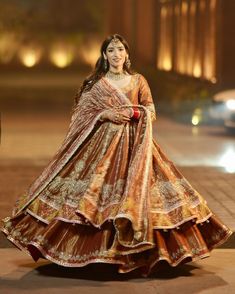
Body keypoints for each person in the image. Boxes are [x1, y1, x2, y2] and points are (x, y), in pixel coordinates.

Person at [0, 34, 232, 277]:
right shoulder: (97, 84)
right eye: (111, 50)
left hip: (137, 147)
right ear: (104, 55)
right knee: (94, 197)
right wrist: (105, 115)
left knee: (145, 195)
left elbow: (150, 110)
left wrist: (134, 113)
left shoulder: (138, 81)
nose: (116, 54)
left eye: (120, 49)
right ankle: (94, 254)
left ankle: (145, 252)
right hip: (102, 149)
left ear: (126, 54)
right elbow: (81, 114)